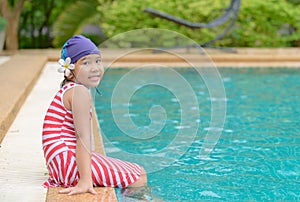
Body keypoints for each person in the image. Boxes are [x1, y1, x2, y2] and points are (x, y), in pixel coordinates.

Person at [42, 35, 147, 195]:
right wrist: (85, 180)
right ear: (70, 71)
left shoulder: (71, 89)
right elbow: (82, 137)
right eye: (86, 62)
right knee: (139, 176)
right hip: (66, 160)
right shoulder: (79, 91)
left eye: (98, 61)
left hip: (59, 161)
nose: (95, 68)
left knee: (136, 172)